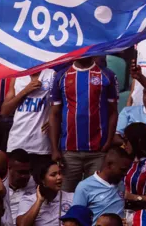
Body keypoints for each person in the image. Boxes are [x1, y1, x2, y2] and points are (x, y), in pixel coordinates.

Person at [49, 56, 119, 191]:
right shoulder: (61, 76)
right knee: (65, 198)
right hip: (69, 151)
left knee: (94, 197)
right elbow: (54, 114)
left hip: (98, 151)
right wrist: (54, 148)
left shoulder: (107, 75)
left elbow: (113, 112)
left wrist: (108, 141)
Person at [71, 147, 132, 219]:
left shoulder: (121, 184)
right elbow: (75, 219)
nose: (125, 174)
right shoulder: (84, 187)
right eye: (122, 170)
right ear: (109, 165)